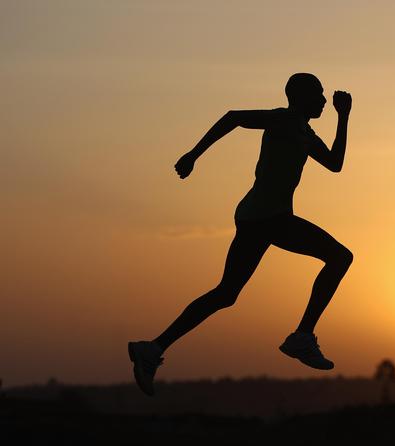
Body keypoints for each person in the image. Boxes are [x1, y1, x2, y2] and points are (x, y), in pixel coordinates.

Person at [127, 73, 353, 396]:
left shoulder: (304, 131)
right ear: (300, 97)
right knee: (340, 257)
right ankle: (302, 336)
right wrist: (193, 154)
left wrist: (343, 117)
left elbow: (334, 163)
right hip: (268, 218)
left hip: (258, 218)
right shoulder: (282, 119)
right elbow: (234, 118)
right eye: (317, 94)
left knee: (226, 293)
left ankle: (152, 348)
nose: (323, 100)